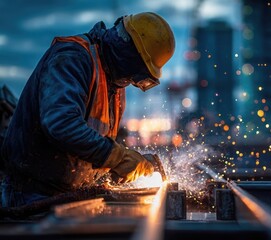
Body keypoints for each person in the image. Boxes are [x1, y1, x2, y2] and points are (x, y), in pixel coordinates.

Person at [0, 12, 175, 207]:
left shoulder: (114, 85)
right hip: (33, 194)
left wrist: (119, 167)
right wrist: (118, 157)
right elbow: (61, 124)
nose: (134, 82)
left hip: (68, 194)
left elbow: (92, 147)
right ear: (128, 55)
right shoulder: (73, 58)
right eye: (138, 75)